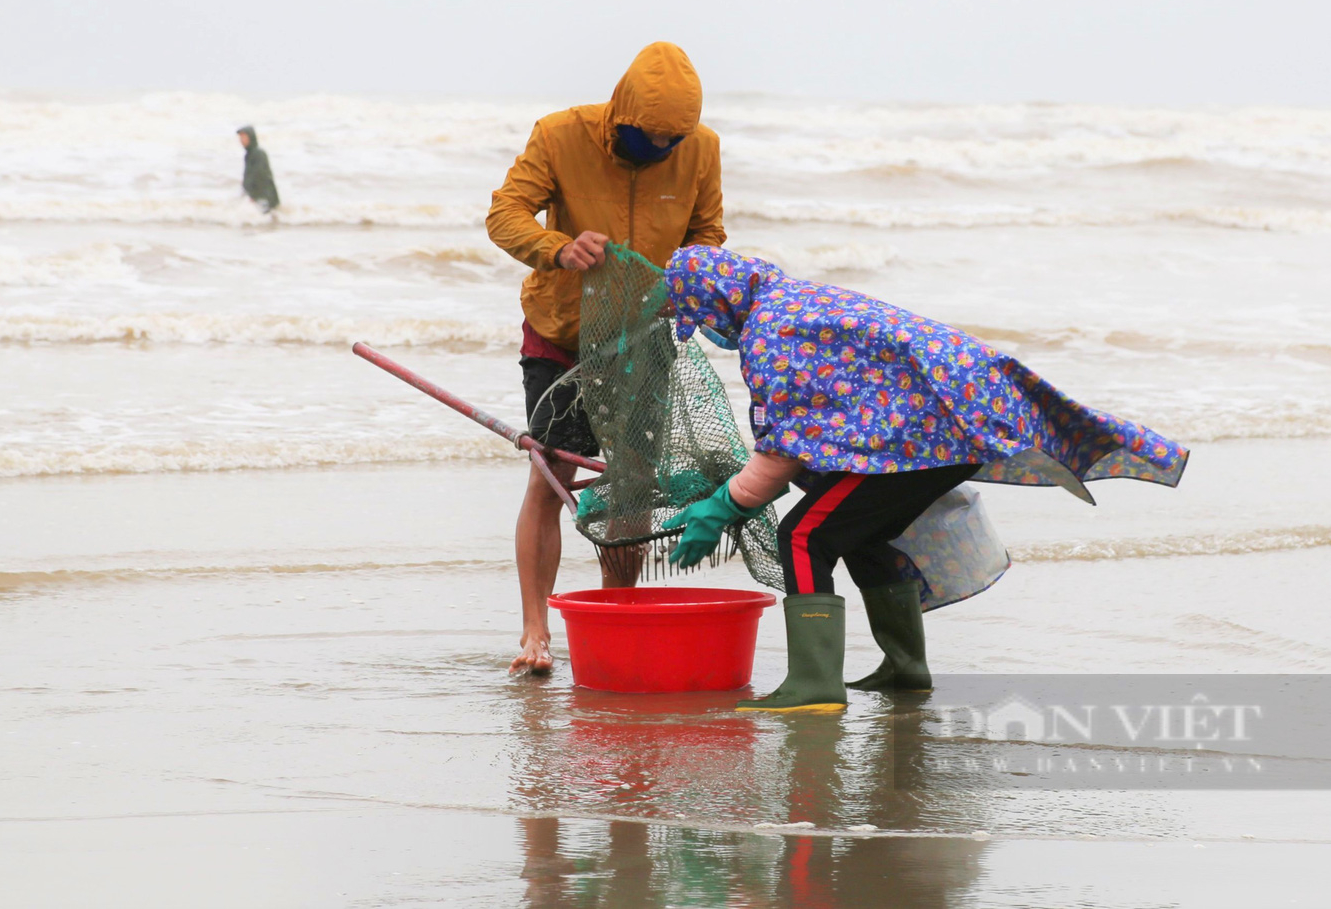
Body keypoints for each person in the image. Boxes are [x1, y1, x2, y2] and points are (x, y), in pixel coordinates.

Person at [658, 246, 1189, 712]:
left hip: (921, 439)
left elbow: (785, 446)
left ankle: (813, 684)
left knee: (803, 536)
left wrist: (726, 504)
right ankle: (905, 669)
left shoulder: (772, 331)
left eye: (698, 316)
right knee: (861, 532)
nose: (705, 328)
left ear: (713, 298)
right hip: (948, 426)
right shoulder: (798, 299)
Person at [486, 42, 727, 675]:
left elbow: (707, 233)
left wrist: (686, 281)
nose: (656, 152)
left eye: (668, 143)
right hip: (561, 335)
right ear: (619, 114)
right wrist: (557, 248)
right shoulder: (561, 134)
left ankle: (619, 612)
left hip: (642, 340)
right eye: (642, 140)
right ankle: (534, 632)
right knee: (551, 479)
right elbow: (505, 214)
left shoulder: (701, 147)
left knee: (633, 485)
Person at [236, 125, 280, 213]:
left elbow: (260, 176)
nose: (241, 140)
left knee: (265, 220)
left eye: (244, 137)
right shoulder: (249, 155)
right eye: (240, 137)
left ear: (251, 137)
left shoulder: (258, 153)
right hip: (258, 197)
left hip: (265, 197)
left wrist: (254, 195)